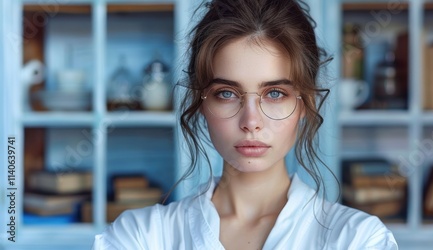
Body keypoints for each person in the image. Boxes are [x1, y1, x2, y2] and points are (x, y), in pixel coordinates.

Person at [92, 0, 398, 249]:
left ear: (304, 103)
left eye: (275, 93)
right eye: (226, 93)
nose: (251, 121)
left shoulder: (358, 239)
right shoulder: (140, 237)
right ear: (202, 103)